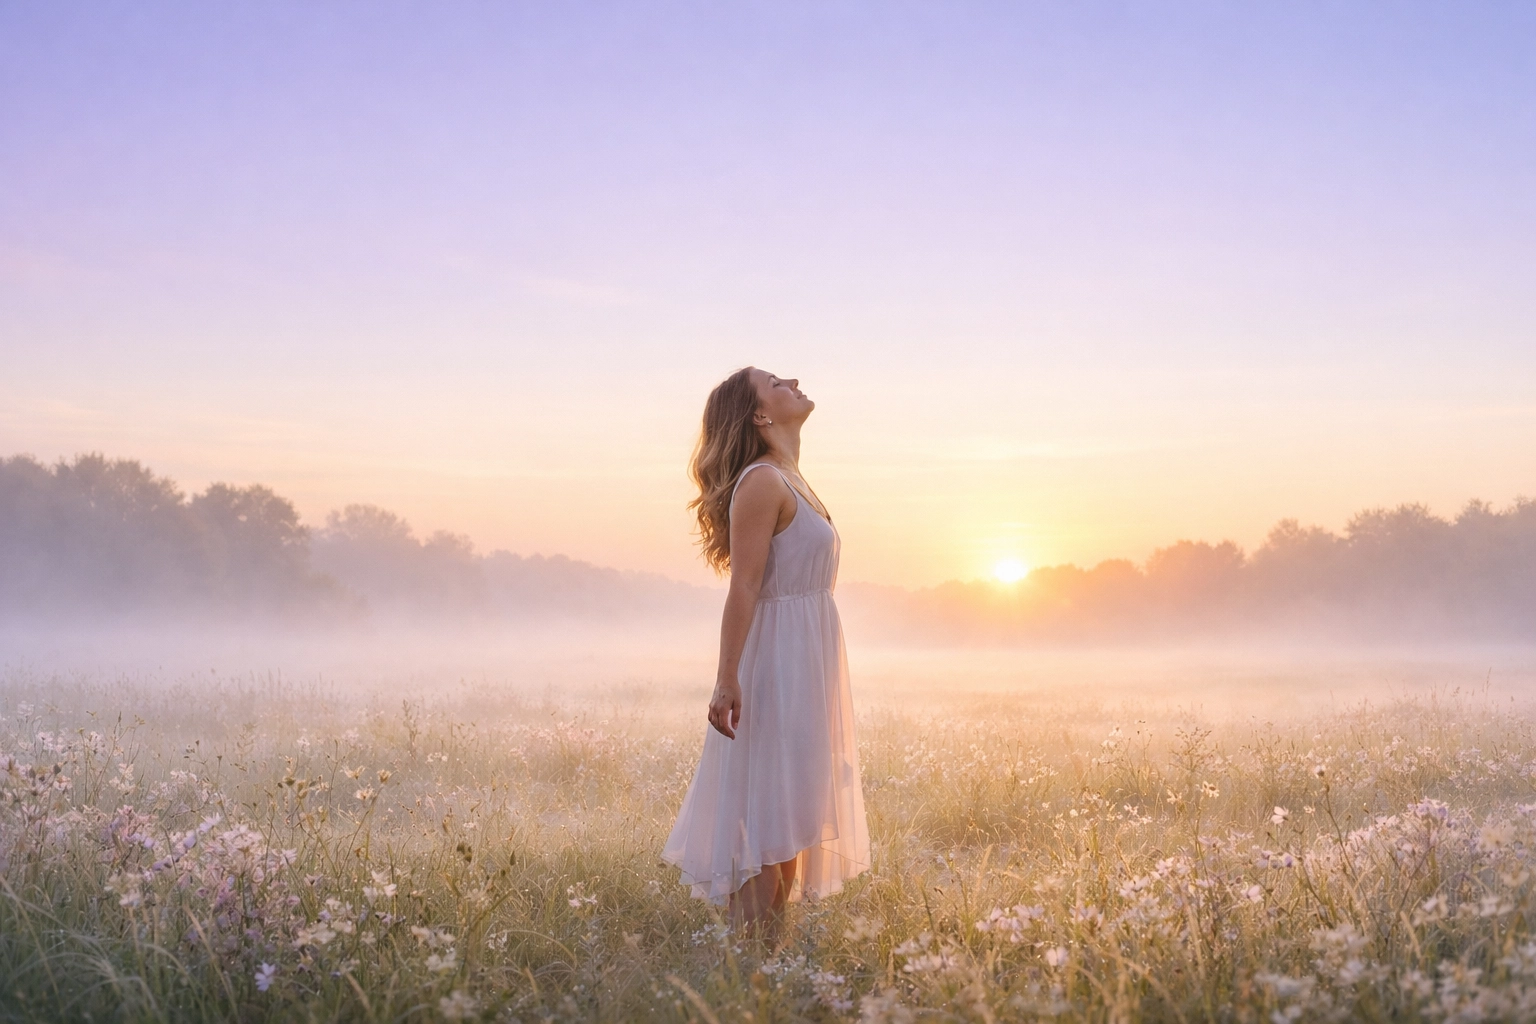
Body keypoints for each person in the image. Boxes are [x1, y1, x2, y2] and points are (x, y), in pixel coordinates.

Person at [662, 366, 870, 940]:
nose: (794, 380)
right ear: (759, 415)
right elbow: (745, 587)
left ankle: (767, 966)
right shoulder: (761, 482)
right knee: (769, 821)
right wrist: (727, 678)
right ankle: (745, 966)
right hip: (777, 664)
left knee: (795, 816)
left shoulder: (792, 477)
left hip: (809, 661)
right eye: (776, 381)